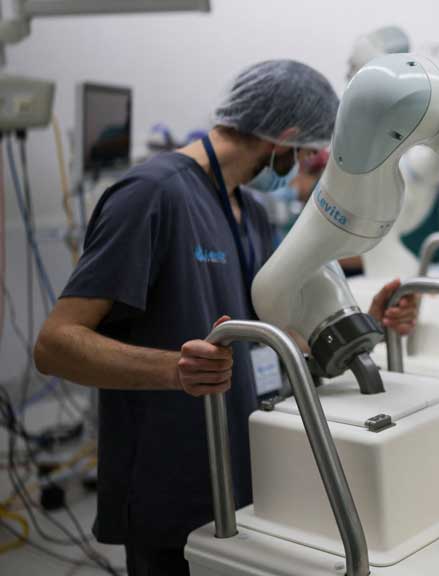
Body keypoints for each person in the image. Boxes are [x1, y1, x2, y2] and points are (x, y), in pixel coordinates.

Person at [32, 60, 418, 576]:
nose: (301, 164)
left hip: (242, 475)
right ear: (282, 137)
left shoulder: (251, 212)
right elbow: (54, 344)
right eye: (303, 152)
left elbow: (275, 336)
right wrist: (174, 370)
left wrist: (364, 325)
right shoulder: (151, 195)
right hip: (170, 483)